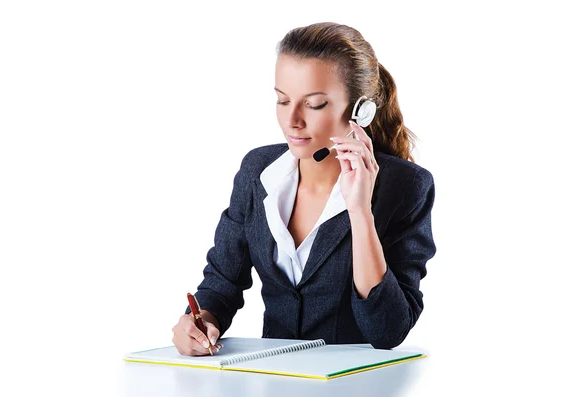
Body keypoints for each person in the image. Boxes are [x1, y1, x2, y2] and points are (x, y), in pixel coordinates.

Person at [172, 22, 436, 356]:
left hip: (357, 387)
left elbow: (388, 331)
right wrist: (200, 323)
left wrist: (360, 213)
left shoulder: (405, 186)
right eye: (283, 101)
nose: (292, 120)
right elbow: (222, 284)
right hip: (273, 378)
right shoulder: (258, 172)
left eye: (313, 104)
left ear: (361, 110)